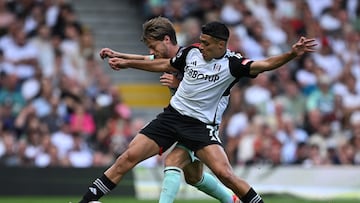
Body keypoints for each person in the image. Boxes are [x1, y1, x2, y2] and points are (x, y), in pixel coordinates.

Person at [79, 21, 316, 203]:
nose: (200, 45)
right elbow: (163, 62)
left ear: (221, 45)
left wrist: (292, 54)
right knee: (128, 158)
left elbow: (264, 64)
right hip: (172, 117)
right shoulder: (191, 52)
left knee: (225, 174)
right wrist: (125, 60)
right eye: (200, 41)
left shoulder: (233, 65)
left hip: (200, 126)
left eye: (206, 43)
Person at [99, 17, 239, 203]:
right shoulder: (169, 58)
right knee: (194, 177)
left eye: (153, 46)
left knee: (173, 162)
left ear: (166, 40)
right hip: (180, 119)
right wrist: (118, 54)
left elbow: (203, 87)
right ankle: (232, 200)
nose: (151, 52)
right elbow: (145, 59)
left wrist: (178, 83)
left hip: (201, 123)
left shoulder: (193, 57)